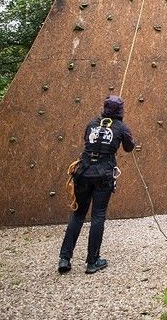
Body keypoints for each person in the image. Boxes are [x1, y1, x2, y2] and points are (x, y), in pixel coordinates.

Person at [58, 95, 135, 274]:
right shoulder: (121, 127)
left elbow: (87, 139)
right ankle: (92, 261)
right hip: (103, 175)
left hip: (83, 172)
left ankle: (64, 258)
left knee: (78, 215)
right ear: (120, 110)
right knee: (98, 216)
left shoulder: (92, 123)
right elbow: (129, 147)